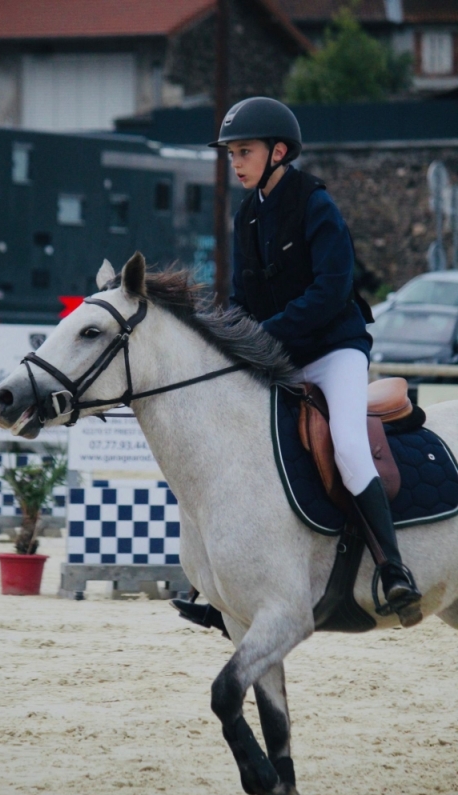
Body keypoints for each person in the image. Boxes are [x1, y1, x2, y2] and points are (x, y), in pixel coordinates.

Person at [172, 96, 422, 629]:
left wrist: (264, 336)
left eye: (244, 151)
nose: (235, 162)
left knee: (351, 447)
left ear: (278, 151)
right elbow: (242, 295)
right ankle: (220, 587)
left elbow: (332, 292)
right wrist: (228, 337)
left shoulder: (315, 204)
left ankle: (393, 569)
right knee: (236, 440)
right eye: (231, 153)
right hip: (282, 354)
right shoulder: (247, 214)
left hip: (335, 352)